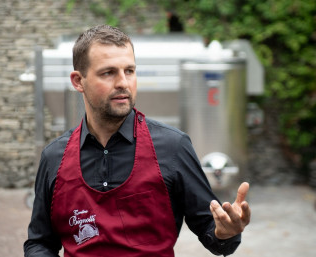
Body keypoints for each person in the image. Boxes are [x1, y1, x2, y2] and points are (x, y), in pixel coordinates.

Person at [24, 24, 251, 257]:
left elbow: (212, 232)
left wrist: (226, 233)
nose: (123, 82)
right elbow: (39, 243)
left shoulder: (173, 148)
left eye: (129, 71)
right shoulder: (54, 157)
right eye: (108, 72)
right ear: (78, 81)